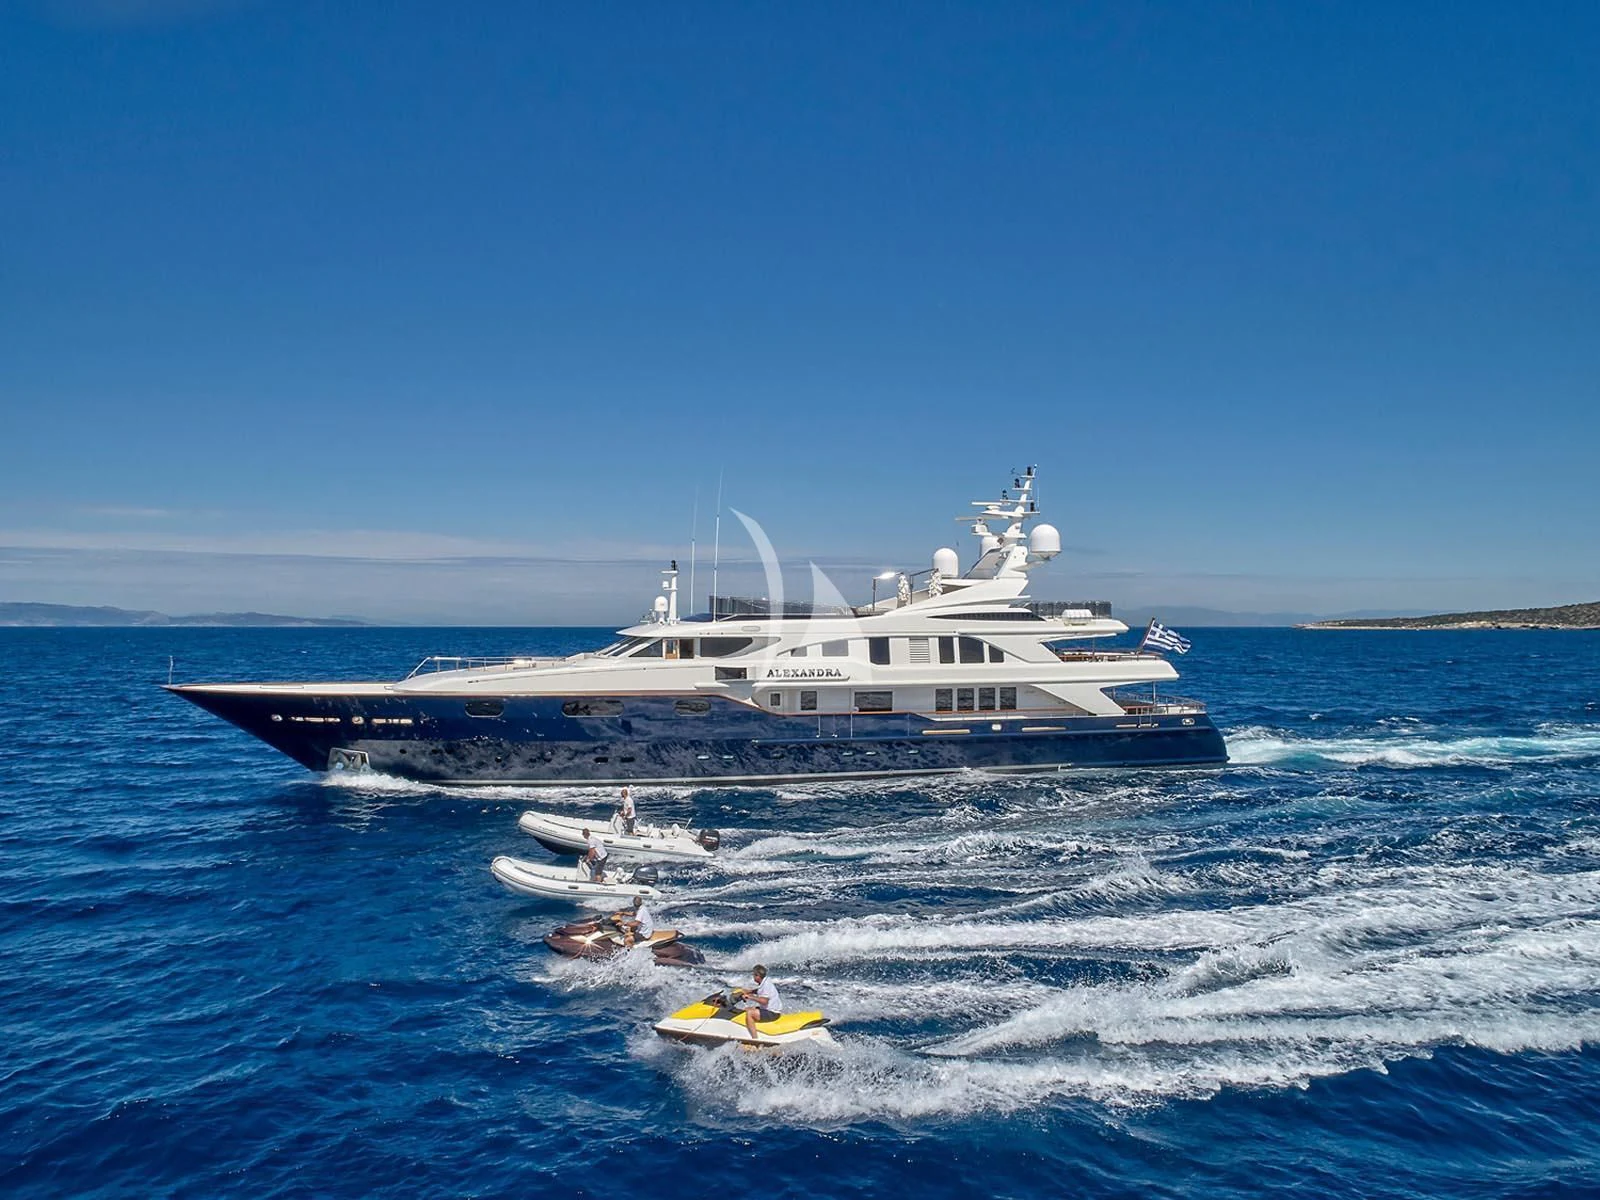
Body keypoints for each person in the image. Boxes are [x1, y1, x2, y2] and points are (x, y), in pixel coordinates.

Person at [731, 964, 781, 1041]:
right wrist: (749, 991)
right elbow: (760, 991)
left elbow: (764, 1001)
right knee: (747, 1009)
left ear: (757, 976)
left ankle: (755, 1039)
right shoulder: (765, 981)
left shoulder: (766, 985)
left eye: (754, 975)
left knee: (750, 1013)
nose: (753, 977)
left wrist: (749, 997)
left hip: (772, 1013)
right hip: (769, 1010)